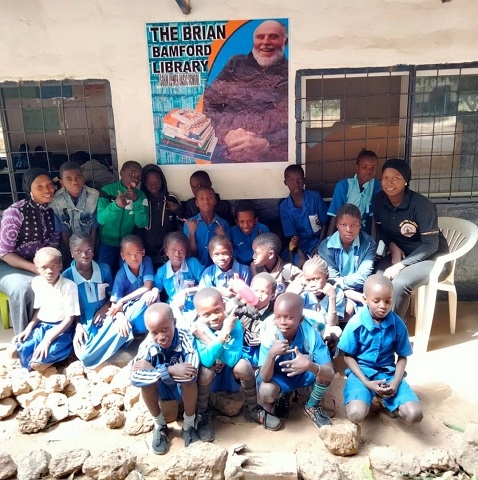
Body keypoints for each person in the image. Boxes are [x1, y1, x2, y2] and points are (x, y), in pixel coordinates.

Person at [191, 287, 282, 441]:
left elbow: (233, 359)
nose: (213, 317)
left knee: (243, 366)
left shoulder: (233, 324)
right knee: (206, 371)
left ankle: (253, 409)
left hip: (228, 376)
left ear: (224, 307)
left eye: (217, 310)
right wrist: (220, 338)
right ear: (198, 315)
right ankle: (202, 414)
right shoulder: (197, 328)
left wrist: (213, 337)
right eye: (206, 314)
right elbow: (207, 360)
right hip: (209, 379)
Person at [338, 274, 423, 424]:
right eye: (376, 301)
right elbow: (348, 356)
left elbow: (403, 356)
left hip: (387, 374)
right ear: (365, 299)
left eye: (388, 301)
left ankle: (383, 399)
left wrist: (396, 382)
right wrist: (366, 382)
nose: (383, 306)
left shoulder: (397, 324)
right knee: (356, 414)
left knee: (414, 415)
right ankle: (366, 396)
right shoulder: (355, 323)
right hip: (361, 374)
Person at [373, 158, 450, 318]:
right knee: (376, 280)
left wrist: (400, 265)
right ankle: (375, 327)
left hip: (434, 259)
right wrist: (393, 246)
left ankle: (393, 334)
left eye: (396, 178)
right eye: (385, 177)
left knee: (400, 284)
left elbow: (431, 245)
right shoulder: (379, 200)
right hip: (404, 254)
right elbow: (382, 230)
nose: (389, 182)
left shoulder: (422, 205)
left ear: (406, 181)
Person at [203, 20, 288, 163]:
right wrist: (225, 134)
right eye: (260, 37)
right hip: (227, 149)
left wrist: (266, 143)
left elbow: (296, 121)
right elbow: (209, 103)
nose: (265, 42)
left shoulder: (290, 72)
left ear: (285, 41)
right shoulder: (235, 63)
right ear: (254, 41)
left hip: (268, 158)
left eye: (273, 37)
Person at [130, 303, 200, 454]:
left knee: (189, 380)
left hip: (181, 390)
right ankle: (160, 425)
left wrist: (154, 371)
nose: (161, 337)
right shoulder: (147, 345)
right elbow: (135, 376)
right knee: (145, 384)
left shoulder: (184, 337)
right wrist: (170, 370)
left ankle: (189, 425)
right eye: (154, 332)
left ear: (174, 322)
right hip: (162, 390)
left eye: (165, 329)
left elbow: (192, 370)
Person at [258, 292, 334, 426]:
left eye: (289, 318)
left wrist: (309, 365)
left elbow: (330, 373)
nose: (282, 322)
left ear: (301, 319)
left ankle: (312, 405)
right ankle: (284, 395)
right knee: (266, 391)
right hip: (280, 377)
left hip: (305, 374)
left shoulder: (310, 334)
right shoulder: (270, 335)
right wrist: (271, 354)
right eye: (278, 317)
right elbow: (264, 377)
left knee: (323, 374)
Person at [0, 168, 60, 334]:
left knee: (64, 281)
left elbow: (53, 245)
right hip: (9, 265)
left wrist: (50, 267)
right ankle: (23, 341)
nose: (47, 190)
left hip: (40, 264)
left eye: (49, 185)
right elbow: (5, 253)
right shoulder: (15, 212)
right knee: (24, 288)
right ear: (29, 190)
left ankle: (50, 336)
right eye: (39, 186)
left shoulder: (53, 211)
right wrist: (35, 269)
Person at [63, 233, 131, 368]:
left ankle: (100, 350)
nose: (84, 255)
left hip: (106, 316)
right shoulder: (67, 276)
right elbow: (69, 308)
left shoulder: (104, 269)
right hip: (84, 322)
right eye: (78, 251)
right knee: (84, 355)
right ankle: (105, 350)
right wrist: (78, 326)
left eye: (88, 250)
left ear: (93, 250)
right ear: (71, 254)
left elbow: (113, 297)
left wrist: (105, 309)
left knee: (125, 329)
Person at [9, 247, 79, 372]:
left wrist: (47, 340)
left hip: (62, 329)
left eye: (53, 266)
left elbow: (69, 319)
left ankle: (64, 352)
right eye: (44, 267)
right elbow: (39, 311)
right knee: (12, 352)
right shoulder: (37, 283)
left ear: (60, 266)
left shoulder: (68, 286)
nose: (49, 271)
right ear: (36, 267)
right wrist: (27, 329)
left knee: (37, 364)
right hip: (42, 327)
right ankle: (42, 355)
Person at [319, 204, 376, 320]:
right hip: (334, 291)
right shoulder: (326, 246)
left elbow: (363, 277)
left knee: (350, 311)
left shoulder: (369, 244)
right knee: (341, 311)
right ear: (337, 225)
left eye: (354, 225)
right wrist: (352, 295)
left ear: (360, 225)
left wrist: (342, 286)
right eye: (343, 225)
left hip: (360, 290)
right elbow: (331, 280)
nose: (349, 230)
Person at [97, 161, 149, 272]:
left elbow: (142, 223)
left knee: (128, 271)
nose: (135, 179)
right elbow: (101, 219)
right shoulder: (107, 190)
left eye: (139, 177)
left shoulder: (140, 196)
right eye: (132, 174)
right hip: (107, 242)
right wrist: (116, 205)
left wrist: (136, 202)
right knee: (103, 271)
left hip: (127, 244)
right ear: (121, 173)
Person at [50, 161, 99, 264]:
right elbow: (63, 230)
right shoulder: (56, 201)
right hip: (68, 245)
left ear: (83, 178)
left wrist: (92, 250)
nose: (74, 182)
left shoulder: (94, 196)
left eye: (78, 177)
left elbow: (94, 227)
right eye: (69, 179)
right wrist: (70, 254)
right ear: (62, 183)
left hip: (91, 243)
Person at [107, 235, 158, 337]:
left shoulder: (146, 261)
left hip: (144, 306)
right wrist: (121, 316)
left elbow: (148, 286)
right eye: (128, 254)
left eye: (137, 253)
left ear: (143, 252)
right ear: (122, 256)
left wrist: (122, 300)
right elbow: (114, 304)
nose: (134, 258)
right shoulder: (121, 275)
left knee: (152, 294)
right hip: (130, 312)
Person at [138, 164, 183, 268]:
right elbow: (138, 227)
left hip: (169, 251)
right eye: (149, 182)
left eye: (157, 182)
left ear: (163, 181)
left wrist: (177, 209)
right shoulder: (141, 200)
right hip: (147, 251)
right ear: (144, 183)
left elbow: (182, 223)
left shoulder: (171, 198)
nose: (153, 185)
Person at [280, 165, 328, 262]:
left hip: (319, 240)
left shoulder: (315, 197)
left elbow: (324, 223)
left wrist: (319, 246)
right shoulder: (284, 207)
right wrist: (300, 253)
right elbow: (292, 237)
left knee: (321, 261)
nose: (296, 184)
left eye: (299, 180)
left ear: (304, 180)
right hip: (300, 245)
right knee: (299, 264)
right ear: (285, 183)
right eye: (291, 181)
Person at [327, 149, 381, 236]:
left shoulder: (376, 186)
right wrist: (328, 242)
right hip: (345, 232)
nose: (369, 171)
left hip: (365, 232)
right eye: (364, 167)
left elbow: (374, 218)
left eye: (373, 168)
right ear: (357, 167)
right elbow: (334, 216)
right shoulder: (344, 185)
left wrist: (373, 244)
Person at [153, 231, 204, 321]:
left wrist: (186, 291)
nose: (177, 254)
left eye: (181, 251)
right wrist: (154, 290)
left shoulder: (193, 264)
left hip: (196, 308)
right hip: (173, 309)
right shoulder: (162, 271)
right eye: (173, 250)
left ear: (186, 252)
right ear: (166, 252)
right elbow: (156, 287)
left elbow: (206, 284)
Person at [235, 272, 276, 367]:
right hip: (238, 351)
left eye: (264, 292)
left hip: (261, 355)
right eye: (255, 290)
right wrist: (235, 301)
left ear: (272, 295)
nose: (258, 295)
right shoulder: (241, 305)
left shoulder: (274, 313)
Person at [183, 186, 230, 266]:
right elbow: (191, 253)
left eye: (209, 198)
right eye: (201, 199)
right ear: (197, 203)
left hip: (218, 268)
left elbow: (229, 251)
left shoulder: (223, 224)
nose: (206, 202)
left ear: (215, 201)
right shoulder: (189, 224)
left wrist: (223, 236)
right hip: (196, 268)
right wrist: (191, 232)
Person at [230, 200, 270, 265]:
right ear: (236, 222)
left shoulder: (263, 229)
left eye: (249, 221)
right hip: (239, 266)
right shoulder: (232, 232)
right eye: (241, 221)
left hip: (259, 265)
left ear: (255, 220)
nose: (246, 226)